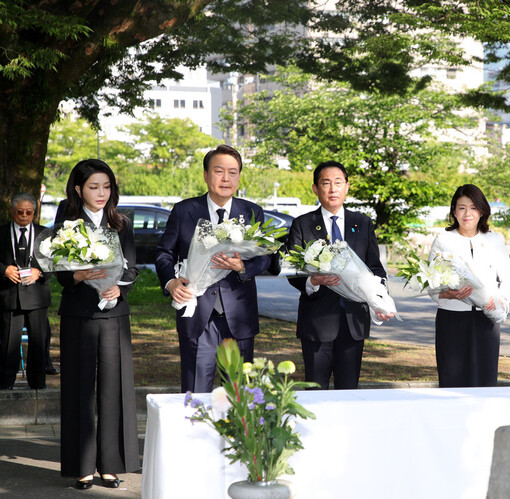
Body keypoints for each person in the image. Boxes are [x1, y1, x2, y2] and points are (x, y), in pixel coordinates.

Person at [155, 144, 272, 393]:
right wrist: (171, 282)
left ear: (239, 176)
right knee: (197, 393)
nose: (225, 178)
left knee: (239, 395)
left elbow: (266, 259)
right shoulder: (184, 211)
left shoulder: (252, 212)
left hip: (238, 317)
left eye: (233, 172)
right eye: (219, 171)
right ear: (206, 175)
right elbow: (164, 254)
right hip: (197, 314)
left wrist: (243, 266)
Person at [55, 159, 139, 489]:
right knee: (79, 389)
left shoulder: (122, 222)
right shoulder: (66, 223)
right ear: (78, 189)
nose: (101, 193)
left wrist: (122, 286)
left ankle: (110, 464)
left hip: (114, 314)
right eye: (93, 187)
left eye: (106, 186)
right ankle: (82, 465)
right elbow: (57, 269)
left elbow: (132, 267)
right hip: (79, 314)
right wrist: (75, 275)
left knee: (113, 388)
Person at [286, 160, 392, 390]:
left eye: (338, 183)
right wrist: (312, 281)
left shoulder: (362, 223)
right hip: (317, 323)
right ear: (315, 188)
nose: (332, 189)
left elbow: (375, 269)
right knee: (315, 390)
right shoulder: (302, 224)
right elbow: (292, 271)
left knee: (349, 391)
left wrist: (381, 301)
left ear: (347, 187)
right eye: (326, 183)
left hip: (353, 322)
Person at [429, 184, 510, 387]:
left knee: (485, 380)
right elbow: (431, 282)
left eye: (473, 207)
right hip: (452, 319)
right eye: (461, 207)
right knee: (452, 379)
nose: (467, 213)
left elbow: (509, 278)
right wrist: (449, 294)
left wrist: (500, 301)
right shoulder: (443, 240)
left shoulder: (494, 240)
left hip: (487, 318)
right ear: (454, 211)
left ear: (482, 211)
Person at [0, 192, 51, 390]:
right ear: (12, 211)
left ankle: (38, 387)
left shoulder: (45, 234)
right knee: (8, 346)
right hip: (9, 296)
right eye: (20, 212)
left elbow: (55, 262)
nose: (24, 216)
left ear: (34, 212)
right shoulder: (2, 232)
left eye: (28, 212)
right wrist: (3, 269)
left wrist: (40, 272)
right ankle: (5, 388)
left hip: (37, 296)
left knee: (38, 344)